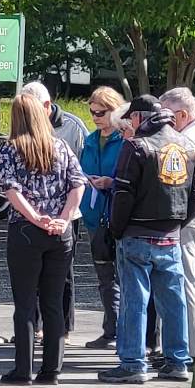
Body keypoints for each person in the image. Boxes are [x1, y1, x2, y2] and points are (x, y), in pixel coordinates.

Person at [105, 93, 195, 383]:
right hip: (170, 234)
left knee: (134, 300)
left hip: (136, 233)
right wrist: (177, 223)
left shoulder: (136, 147)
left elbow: (123, 195)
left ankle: (133, 363)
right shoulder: (188, 145)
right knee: (173, 301)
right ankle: (177, 361)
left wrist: (116, 229)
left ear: (136, 118)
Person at [0, 92, 84, 385]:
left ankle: (23, 369)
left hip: (25, 230)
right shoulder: (60, 146)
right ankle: (52, 369)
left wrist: (35, 217)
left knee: (24, 302)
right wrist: (65, 216)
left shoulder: (11, 149)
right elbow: (78, 183)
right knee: (53, 301)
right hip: (60, 234)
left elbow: (11, 189)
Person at [21, 79, 87, 334]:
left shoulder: (73, 127)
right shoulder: (22, 125)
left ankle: (62, 328)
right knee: (30, 271)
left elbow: (79, 173)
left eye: (33, 109)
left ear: (47, 105)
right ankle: (32, 326)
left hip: (65, 212)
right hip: (33, 212)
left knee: (62, 272)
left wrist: (65, 215)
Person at [158, 86, 195, 358]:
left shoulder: (190, 139)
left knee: (183, 279)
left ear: (181, 114)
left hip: (188, 217)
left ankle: (192, 349)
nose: (163, 121)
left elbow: (192, 189)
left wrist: (180, 220)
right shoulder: (191, 134)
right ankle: (180, 346)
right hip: (189, 214)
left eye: (167, 115)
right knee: (177, 278)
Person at [79, 85, 126, 349]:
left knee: (124, 276)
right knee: (104, 277)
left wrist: (112, 183)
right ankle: (110, 330)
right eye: (92, 112)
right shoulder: (90, 140)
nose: (96, 117)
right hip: (95, 216)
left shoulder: (125, 139)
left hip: (118, 216)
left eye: (101, 112)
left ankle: (124, 332)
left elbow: (133, 178)